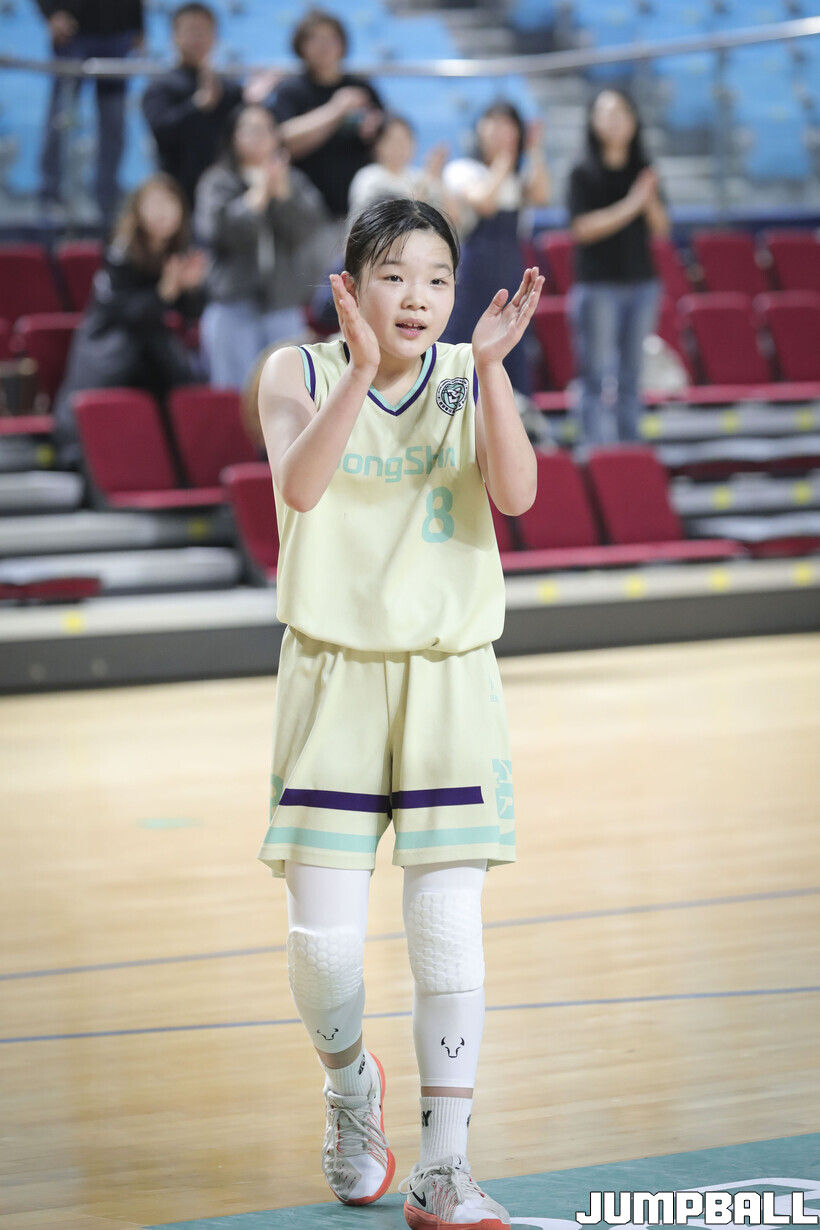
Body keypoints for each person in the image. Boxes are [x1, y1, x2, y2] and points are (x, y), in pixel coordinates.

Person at [255, 197, 544, 1228]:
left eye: (436, 278)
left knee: (446, 931)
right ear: (350, 285)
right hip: (331, 674)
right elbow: (300, 488)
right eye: (393, 276)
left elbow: (517, 496)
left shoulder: (469, 374)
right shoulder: (296, 372)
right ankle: (350, 1091)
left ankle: (444, 1167)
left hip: (447, 674)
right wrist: (364, 370)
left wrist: (495, 371)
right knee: (324, 952)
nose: (417, 297)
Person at [54, 173, 204, 466]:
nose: (162, 212)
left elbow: (185, 313)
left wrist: (190, 289)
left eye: (169, 203)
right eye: (154, 203)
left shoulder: (177, 251)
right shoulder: (120, 252)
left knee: (184, 381)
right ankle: (77, 453)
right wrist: (165, 292)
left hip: (150, 343)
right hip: (112, 343)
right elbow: (126, 313)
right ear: (138, 210)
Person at [194, 103, 327, 390]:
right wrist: (256, 199)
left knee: (289, 392)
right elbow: (216, 232)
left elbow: (308, 229)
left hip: (282, 304)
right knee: (234, 394)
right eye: (250, 129)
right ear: (233, 136)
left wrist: (283, 197)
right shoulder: (217, 181)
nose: (260, 137)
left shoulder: (292, 179)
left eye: (266, 129)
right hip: (232, 303)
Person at [566, 88, 669, 445]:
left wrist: (648, 199)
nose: (614, 121)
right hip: (598, 286)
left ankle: (631, 447)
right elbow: (583, 229)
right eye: (605, 113)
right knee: (595, 373)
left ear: (634, 120)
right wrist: (633, 204)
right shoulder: (582, 171)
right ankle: (594, 448)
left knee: (633, 374)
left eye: (621, 112)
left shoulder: (644, 170)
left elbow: (661, 228)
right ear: (593, 121)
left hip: (642, 283)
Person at [442, 102, 551, 399]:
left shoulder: (516, 178)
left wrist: (534, 151)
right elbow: (484, 202)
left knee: (511, 351)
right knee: (465, 348)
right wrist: (504, 159)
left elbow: (542, 196)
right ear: (480, 130)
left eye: (509, 125)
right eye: (494, 123)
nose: (502, 132)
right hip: (472, 274)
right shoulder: (463, 169)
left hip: (509, 271)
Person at [266, 9, 383, 273]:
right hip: (306, 214)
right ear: (301, 45)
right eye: (315, 39)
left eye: (331, 39)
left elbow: (384, 135)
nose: (324, 47)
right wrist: (336, 110)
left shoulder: (362, 87)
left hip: (357, 211)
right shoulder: (291, 90)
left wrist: (374, 130)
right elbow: (281, 140)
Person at [36, 0, 144, 225]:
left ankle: (107, 199)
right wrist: (52, 13)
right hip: (73, 32)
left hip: (117, 34)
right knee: (60, 119)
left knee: (114, 123)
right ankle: (50, 195)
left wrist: (138, 25)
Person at [142, 2, 243, 211]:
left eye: (204, 31)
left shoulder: (230, 90)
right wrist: (197, 105)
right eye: (190, 31)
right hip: (177, 192)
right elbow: (161, 130)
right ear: (174, 36)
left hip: (226, 195)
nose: (197, 38)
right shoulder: (160, 87)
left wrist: (255, 104)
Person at [347, 113, 448, 218]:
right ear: (378, 145)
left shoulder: (419, 176)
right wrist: (428, 178)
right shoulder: (368, 177)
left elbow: (451, 218)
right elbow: (392, 219)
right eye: (393, 140)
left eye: (405, 139)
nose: (399, 146)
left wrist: (437, 177)